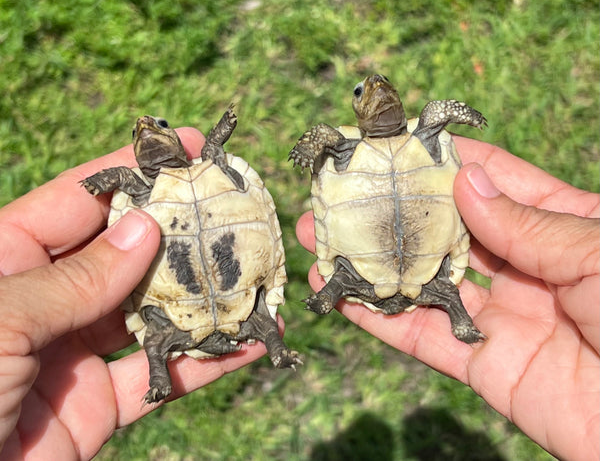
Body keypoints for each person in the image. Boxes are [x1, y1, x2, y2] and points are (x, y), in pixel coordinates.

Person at [0, 130, 597, 461]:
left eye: (153, 131)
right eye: (146, 135)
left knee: (176, 323)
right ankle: (212, 355)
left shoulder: (182, 174)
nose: (150, 135)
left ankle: (322, 305)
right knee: (223, 317)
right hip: (223, 304)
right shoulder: (207, 168)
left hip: (367, 272)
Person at [296, 135, 599, 461]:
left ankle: (333, 295)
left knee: (356, 280)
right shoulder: (413, 138)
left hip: (388, 272)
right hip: (420, 274)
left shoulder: (352, 149)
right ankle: (337, 295)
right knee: (445, 292)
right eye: (361, 93)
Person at [0, 127, 271, 460]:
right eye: (138, 131)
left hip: (210, 302)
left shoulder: (146, 185)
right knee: (162, 337)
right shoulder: (141, 185)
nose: (146, 127)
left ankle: (165, 370)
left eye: (158, 123)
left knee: (158, 336)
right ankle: (162, 374)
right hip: (208, 305)